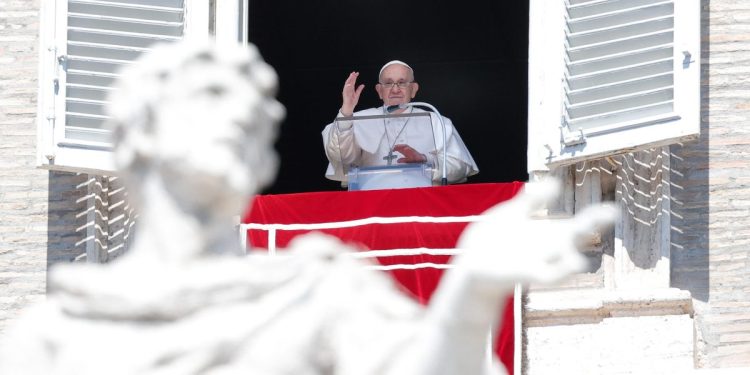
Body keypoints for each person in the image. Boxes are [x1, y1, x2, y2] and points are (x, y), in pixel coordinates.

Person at [322, 60, 479, 186]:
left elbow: (460, 168)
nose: (395, 89)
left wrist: (425, 160)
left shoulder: (436, 120)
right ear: (379, 90)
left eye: (402, 82)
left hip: (423, 201)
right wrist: (346, 112)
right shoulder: (357, 120)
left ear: (414, 89)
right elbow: (341, 159)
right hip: (371, 202)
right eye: (388, 83)